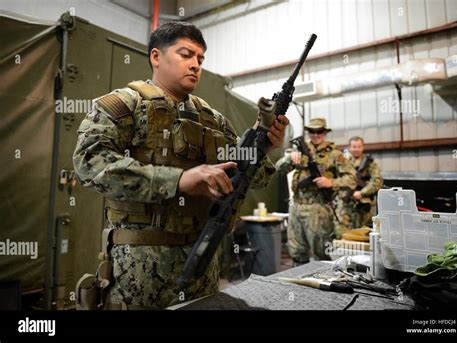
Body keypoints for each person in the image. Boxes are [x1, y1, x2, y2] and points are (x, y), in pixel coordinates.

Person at [72, 21, 288, 309]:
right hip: (140, 274)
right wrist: (177, 180)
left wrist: (264, 147)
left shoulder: (212, 119)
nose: (195, 65)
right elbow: (89, 162)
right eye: (186, 55)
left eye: (200, 59)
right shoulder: (125, 105)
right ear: (156, 57)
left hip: (202, 267)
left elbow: (252, 177)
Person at [276, 118, 356, 264]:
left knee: (321, 253)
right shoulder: (300, 151)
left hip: (318, 208)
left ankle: (322, 284)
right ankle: (299, 284)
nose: (315, 134)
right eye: (312, 131)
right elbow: (278, 168)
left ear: (325, 132)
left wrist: (330, 182)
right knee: (296, 252)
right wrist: (289, 159)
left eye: (319, 131)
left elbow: (352, 179)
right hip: (296, 205)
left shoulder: (335, 154)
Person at [344, 136, 383, 228]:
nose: (356, 149)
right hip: (348, 204)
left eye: (359, 146)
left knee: (364, 231)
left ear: (363, 147)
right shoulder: (344, 163)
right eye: (354, 147)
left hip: (365, 204)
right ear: (349, 148)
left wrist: (362, 193)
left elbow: (377, 181)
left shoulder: (370, 163)